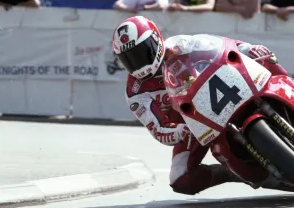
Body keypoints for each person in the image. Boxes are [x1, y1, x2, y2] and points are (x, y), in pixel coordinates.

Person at [112, 15, 291, 196]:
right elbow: (158, 129)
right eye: (129, 58)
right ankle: (234, 173)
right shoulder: (135, 93)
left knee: (265, 58)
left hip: (219, 92)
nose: (138, 62)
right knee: (179, 179)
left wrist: (248, 49)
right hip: (193, 125)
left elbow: (222, 47)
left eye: (141, 52)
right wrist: (179, 131)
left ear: (156, 38)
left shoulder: (181, 45)